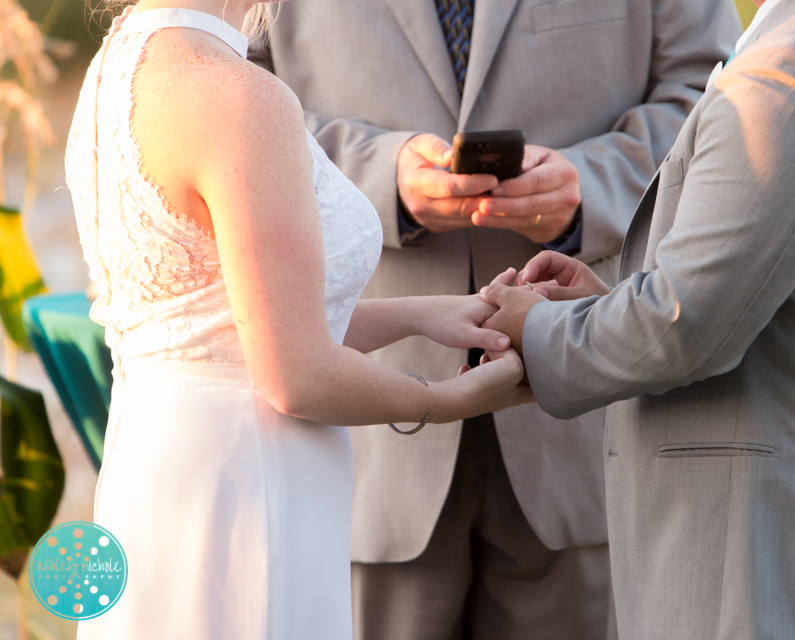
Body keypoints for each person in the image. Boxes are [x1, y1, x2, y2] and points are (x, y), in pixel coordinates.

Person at [248, 3, 741, 638]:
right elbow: (231, 87)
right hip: (362, 431)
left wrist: (593, 185)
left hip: (580, 422)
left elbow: (714, 92)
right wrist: (376, 177)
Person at [479, 0, 795, 637]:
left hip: (778, 566)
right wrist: (602, 305)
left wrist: (532, 330)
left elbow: (682, 327)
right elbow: (768, 304)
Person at [64, 0, 532, 637]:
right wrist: (455, 397)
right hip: (248, 478)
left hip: (157, 464)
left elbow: (229, 327)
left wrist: (424, 314)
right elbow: (296, 376)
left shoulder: (118, 65)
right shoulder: (239, 95)